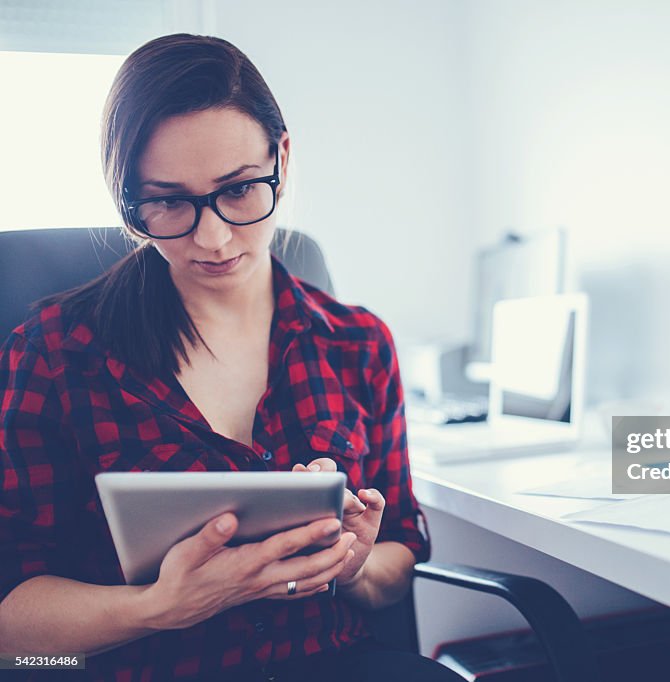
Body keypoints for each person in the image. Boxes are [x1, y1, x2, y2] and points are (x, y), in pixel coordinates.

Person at [0, 34, 463, 681]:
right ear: (125, 197)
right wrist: (158, 607)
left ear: (282, 159)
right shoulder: (53, 352)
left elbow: (401, 553)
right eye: (167, 201)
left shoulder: (358, 344)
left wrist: (354, 566)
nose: (213, 238)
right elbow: (9, 622)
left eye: (241, 189)